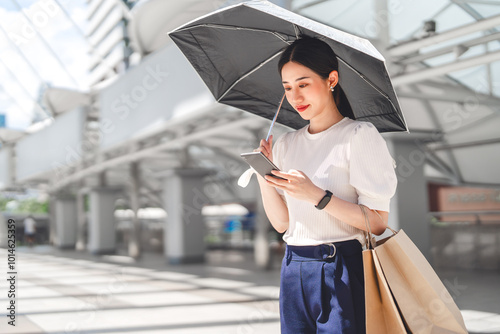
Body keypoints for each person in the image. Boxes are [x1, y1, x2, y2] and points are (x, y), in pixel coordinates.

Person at [253, 36, 397, 334]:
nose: (295, 96)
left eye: (303, 84)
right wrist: (262, 173)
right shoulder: (285, 144)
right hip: (293, 267)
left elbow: (378, 223)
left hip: (340, 266)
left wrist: (318, 196)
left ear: (332, 79)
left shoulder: (358, 135)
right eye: (288, 88)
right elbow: (282, 224)